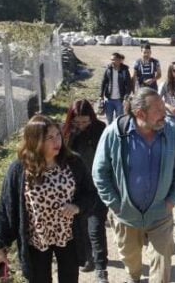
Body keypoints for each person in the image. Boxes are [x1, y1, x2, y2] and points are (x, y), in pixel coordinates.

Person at [92, 88, 175, 283]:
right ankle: (134, 277)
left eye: (164, 108)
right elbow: (99, 172)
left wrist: (172, 200)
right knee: (131, 260)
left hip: (160, 213)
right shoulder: (115, 133)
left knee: (162, 266)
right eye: (158, 110)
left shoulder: (170, 133)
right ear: (140, 114)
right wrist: (114, 203)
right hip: (125, 215)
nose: (164, 113)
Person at [0, 115, 97, 283]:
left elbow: (91, 194)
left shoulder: (73, 162)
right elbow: (6, 209)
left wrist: (77, 207)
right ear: (35, 140)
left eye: (58, 135)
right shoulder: (19, 169)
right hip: (36, 240)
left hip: (68, 237)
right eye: (49, 138)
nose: (57, 141)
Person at [61, 99, 109, 282]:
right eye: (77, 122)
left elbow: (108, 156)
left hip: (97, 186)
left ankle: (101, 268)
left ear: (92, 118)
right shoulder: (65, 132)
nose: (81, 126)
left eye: (85, 122)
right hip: (74, 188)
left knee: (96, 227)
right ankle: (88, 257)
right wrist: (71, 134)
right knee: (79, 228)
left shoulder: (100, 129)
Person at [100, 52, 132, 124]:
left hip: (120, 100)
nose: (112, 61)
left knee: (119, 121)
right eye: (111, 60)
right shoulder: (108, 69)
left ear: (120, 60)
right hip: (109, 100)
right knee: (109, 121)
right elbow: (103, 82)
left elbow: (129, 84)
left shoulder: (124, 70)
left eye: (114, 60)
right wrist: (101, 96)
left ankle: (118, 134)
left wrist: (126, 97)